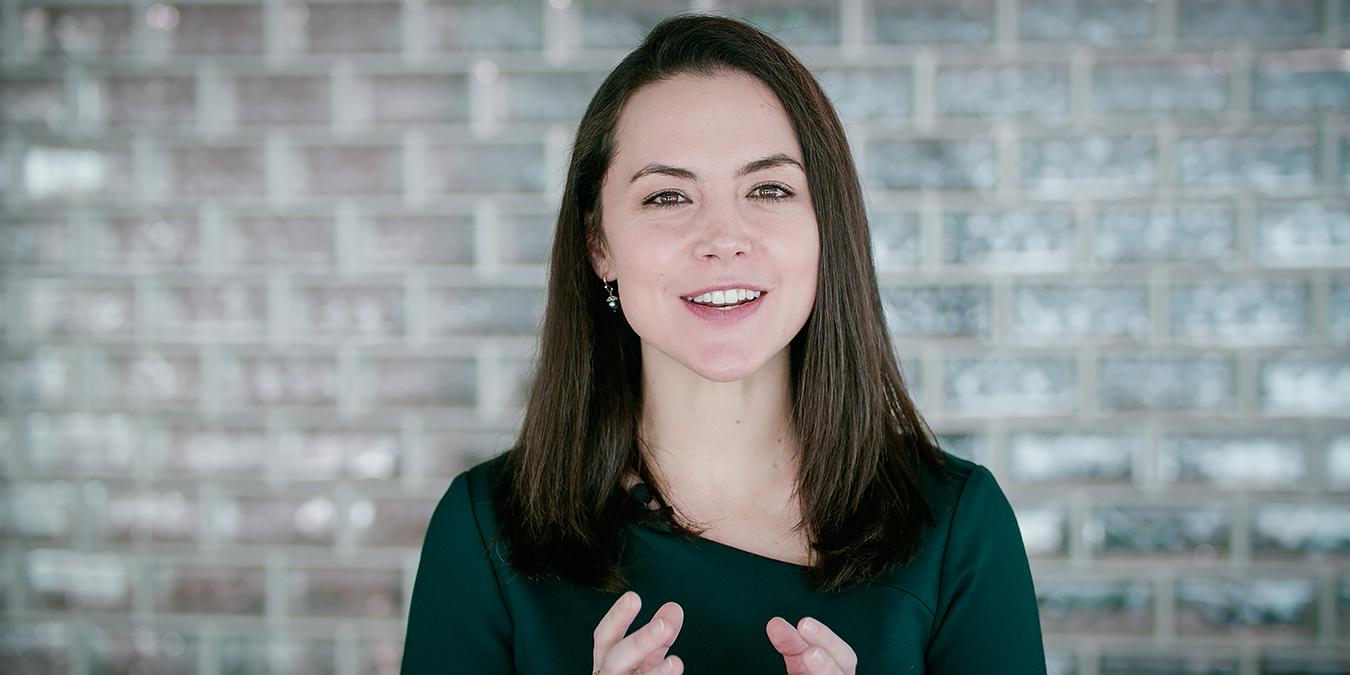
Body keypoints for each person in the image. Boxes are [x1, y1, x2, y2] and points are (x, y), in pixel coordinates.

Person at [402, 13, 1046, 675]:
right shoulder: (484, 530)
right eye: (667, 196)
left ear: (827, 226)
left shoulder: (958, 525)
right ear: (598, 244)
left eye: (768, 189)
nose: (723, 239)